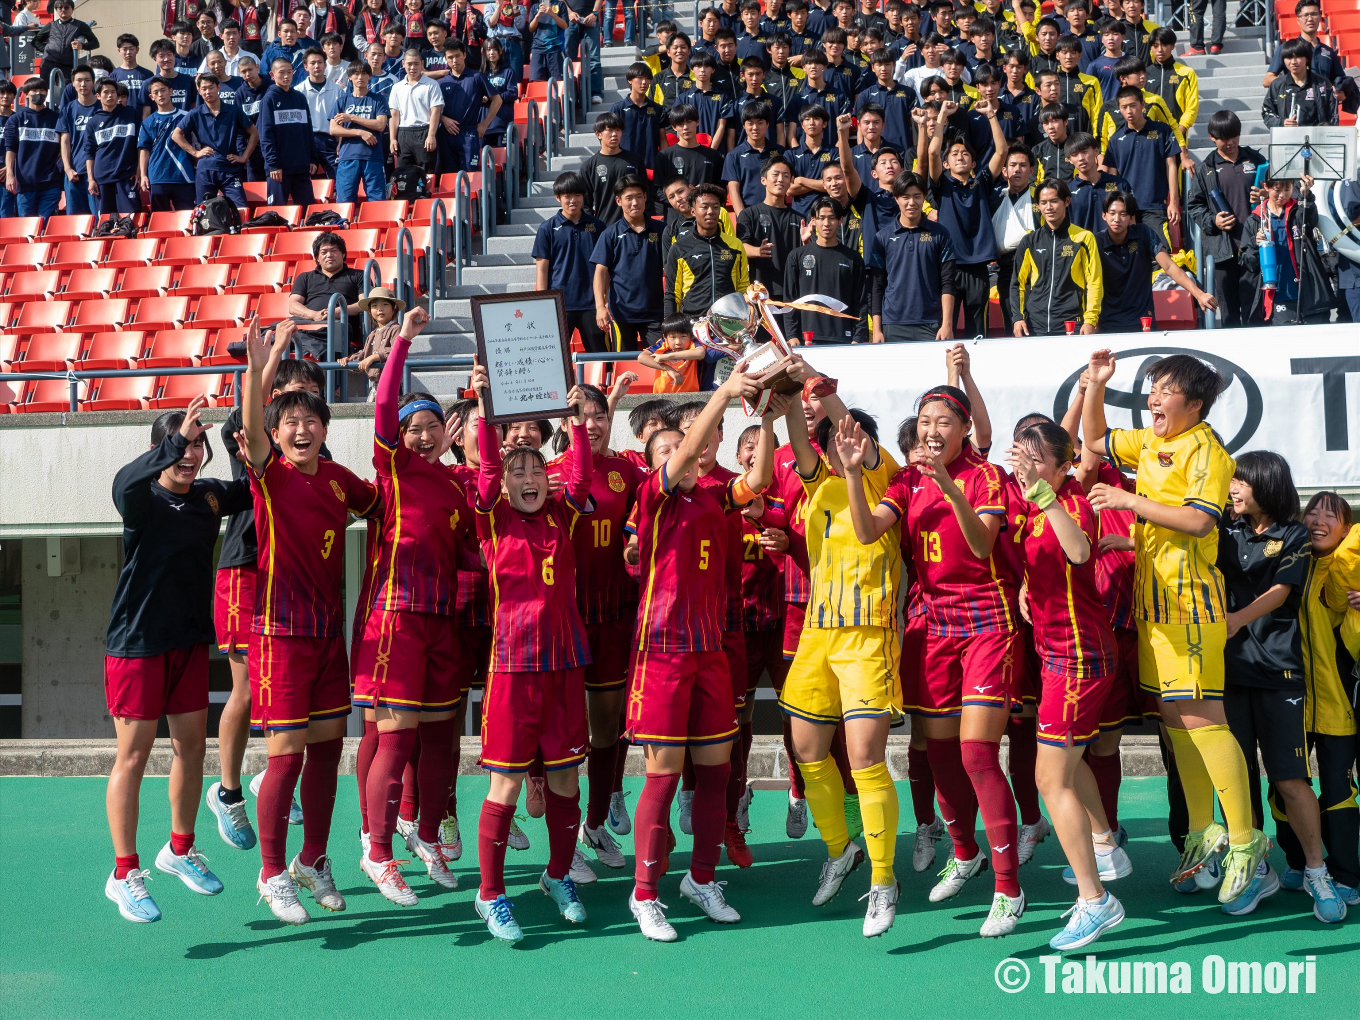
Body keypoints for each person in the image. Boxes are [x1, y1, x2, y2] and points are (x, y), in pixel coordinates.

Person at [1081, 350, 1268, 910]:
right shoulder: (1154, 441)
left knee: (1202, 722)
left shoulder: (1208, 450)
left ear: (1196, 404)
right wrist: (1094, 384)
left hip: (1190, 610)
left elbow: (1199, 520)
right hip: (1152, 610)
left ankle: (1245, 841)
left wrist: (1128, 502)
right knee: (1174, 723)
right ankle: (1202, 832)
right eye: (1153, 388)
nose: (1154, 398)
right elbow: (1094, 442)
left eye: (1165, 391)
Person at [846, 383, 1026, 936]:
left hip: (987, 621)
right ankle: (965, 850)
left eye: (944, 420)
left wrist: (948, 486)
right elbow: (866, 530)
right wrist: (853, 473)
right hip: (931, 624)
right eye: (925, 420)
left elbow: (979, 546)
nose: (931, 430)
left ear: (965, 428)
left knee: (976, 753)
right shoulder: (904, 479)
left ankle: (1008, 887)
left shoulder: (985, 477)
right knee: (938, 747)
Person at [238, 318, 379, 926]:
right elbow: (249, 423)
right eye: (291, 422)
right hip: (279, 632)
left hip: (328, 633)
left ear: (326, 428)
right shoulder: (272, 475)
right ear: (275, 435)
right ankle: (272, 874)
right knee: (286, 755)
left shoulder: (337, 480)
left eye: (312, 421)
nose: (302, 429)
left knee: (327, 751)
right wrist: (260, 371)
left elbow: (384, 501)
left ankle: (314, 859)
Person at [622, 370, 767, 941]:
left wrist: (770, 419)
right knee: (661, 778)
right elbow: (684, 452)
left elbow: (756, 478)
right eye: (668, 448)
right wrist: (723, 393)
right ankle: (645, 893)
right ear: (658, 458)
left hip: (710, 652)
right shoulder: (652, 498)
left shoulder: (712, 495)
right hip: (662, 655)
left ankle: (701, 878)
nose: (680, 454)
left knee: (715, 773)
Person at [103, 399, 251, 924]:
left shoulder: (209, 497)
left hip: (189, 642)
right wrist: (171, 442)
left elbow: (259, 484)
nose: (190, 454)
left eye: (196, 445)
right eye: (180, 445)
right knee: (135, 758)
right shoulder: (142, 498)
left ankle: (181, 849)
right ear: (159, 449)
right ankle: (124, 875)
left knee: (191, 748)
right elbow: (122, 483)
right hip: (137, 644)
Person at [461, 361, 595, 941]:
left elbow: (583, 478)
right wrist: (485, 403)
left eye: (535, 467)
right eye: (516, 471)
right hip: (513, 671)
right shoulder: (493, 519)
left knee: (567, 782)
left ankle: (558, 875)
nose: (526, 476)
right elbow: (487, 472)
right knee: (507, 787)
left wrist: (577, 424)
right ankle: (490, 895)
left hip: (565, 666)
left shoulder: (564, 514)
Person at [348, 307, 468, 904]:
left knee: (443, 740)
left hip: (444, 622)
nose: (424, 435)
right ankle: (377, 851)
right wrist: (402, 342)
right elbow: (382, 405)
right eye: (414, 425)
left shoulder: (453, 486)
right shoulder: (391, 467)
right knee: (394, 741)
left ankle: (425, 835)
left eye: (432, 425)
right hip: (396, 619)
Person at [1004, 422, 1131, 949]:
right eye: (1022, 456)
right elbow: (1054, 564)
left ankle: (1096, 899)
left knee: (1049, 778)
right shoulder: (1038, 504)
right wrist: (1030, 587)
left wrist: (1044, 495)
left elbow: (1080, 551)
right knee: (1066, 765)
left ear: (1063, 466)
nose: (1026, 466)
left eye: (1038, 460)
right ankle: (1106, 844)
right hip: (1060, 655)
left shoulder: (1069, 501)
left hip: (1078, 659)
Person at [1216, 452, 1347, 921]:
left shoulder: (1293, 534)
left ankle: (1317, 871)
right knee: (1238, 781)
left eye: (1240, 483)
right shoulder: (1223, 529)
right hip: (1227, 676)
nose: (1232, 489)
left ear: (1264, 485)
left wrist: (1235, 621)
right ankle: (1253, 868)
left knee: (1290, 779)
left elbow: (1280, 592)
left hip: (1279, 674)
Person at [542, 386, 642, 873]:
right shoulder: (548, 475)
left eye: (600, 415)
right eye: (583, 416)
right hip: (564, 620)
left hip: (614, 617)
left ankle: (597, 821)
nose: (593, 423)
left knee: (607, 727)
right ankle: (559, 833)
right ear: (566, 422)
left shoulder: (628, 470)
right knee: (560, 732)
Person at [1291, 492, 1360, 907]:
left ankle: (1347, 872)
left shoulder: (1350, 571)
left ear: (1347, 528)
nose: (1317, 520)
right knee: (1286, 787)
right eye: (1311, 512)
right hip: (1290, 704)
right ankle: (1299, 862)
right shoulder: (1290, 563)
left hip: (1340, 706)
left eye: (1329, 515)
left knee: (1337, 789)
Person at [924, 98, 1008, 337]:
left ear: (973, 162)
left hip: (978, 267)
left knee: (977, 330)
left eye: (965, 154)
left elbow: (1001, 151)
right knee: (944, 327)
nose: (960, 156)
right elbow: (932, 151)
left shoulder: (981, 183)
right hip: (948, 266)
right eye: (954, 154)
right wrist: (941, 116)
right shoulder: (942, 186)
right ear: (946, 163)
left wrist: (991, 115)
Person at [1187, 111, 1267, 330]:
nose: (1230, 142)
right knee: (1229, 314)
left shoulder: (1255, 159)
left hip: (1254, 247)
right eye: (1224, 138)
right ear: (1212, 137)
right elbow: (1194, 206)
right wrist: (1214, 221)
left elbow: (1277, 190)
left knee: (1255, 313)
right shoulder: (1206, 168)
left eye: (1235, 136)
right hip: (1224, 252)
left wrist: (1264, 195)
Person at [1095, 190, 1216, 331]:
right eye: (1112, 213)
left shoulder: (1144, 233)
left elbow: (1169, 266)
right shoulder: (1096, 242)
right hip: (1109, 322)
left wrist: (1199, 294)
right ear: (1104, 215)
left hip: (1143, 321)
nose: (1117, 219)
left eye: (1123, 214)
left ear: (1131, 218)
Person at [867, 170, 957, 342]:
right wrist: (877, 330)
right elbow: (877, 287)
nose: (911, 202)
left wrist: (947, 324)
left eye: (917, 196)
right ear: (896, 199)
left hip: (931, 324)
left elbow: (948, 282)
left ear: (924, 198)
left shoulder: (940, 233)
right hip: (892, 324)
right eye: (905, 197)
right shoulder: (882, 237)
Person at [1242, 174, 1337, 326]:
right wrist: (1255, 243)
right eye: (1277, 189)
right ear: (1266, 187)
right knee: (1288, 345)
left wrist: (1306, 194)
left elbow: (1310, 219)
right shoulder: (1255, 219)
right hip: (1279, 294)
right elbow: (1248, 263)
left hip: (1311, 293)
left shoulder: (1299, 210)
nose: (1282, 195)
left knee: (1317, 345)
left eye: (1287, 189)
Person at [1012, 179, 1102, 336]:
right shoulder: (1029, 241)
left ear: (1067, 201)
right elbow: (1016, 283)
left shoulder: (1083, 238)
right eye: (1043, 202)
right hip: (1034, 325)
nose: (1048, 207)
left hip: (1072, 324)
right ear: (1038, 205)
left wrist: (1090, 320)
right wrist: (1018, 318)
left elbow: (1094, 281)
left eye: (1054, 201)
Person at [533, 172, 609, 352]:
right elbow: (542, 271)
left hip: (592, 305)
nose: (573, 200)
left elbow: (605, 268)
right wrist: (544, 304)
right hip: (559, 304)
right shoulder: (547, 228)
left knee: (600, 357)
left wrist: (605, 301)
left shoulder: (598, 226)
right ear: (558, 198)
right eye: (567, 196)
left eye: (577, 195)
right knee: (554, 356)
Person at [591, 175, 667, 351]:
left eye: (639, 196)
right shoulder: (609, 234)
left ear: (645, 197)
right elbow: (600, 272)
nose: (635, 203)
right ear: (618, 201)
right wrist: (600, 306)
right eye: (629, 198)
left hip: (655, 313)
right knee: (623, 366)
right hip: (621, 315)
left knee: (660, 361)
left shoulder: (661, 230)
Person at [784, 197, 869, 344]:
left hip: (843, 339)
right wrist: (792, 335)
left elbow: (860, 302)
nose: (826, 223)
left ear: (840, 220)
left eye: (832, 218)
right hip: (807, 338)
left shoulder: (853, 258)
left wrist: (859, 337)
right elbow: (790, 299)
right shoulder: (796, 256)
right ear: (813, 221)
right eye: (821, 218)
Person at [664, 182, 751, 319]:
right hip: (692, 323)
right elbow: (672, 294)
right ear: (693, 211)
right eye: (704, 207)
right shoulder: (679, 248)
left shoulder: (735, 245)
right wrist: (671, 326)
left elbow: (743, 286)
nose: (710, 211)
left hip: (729, 322)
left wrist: (747, 317)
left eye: (715, 207)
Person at [171, 73, 257, 207]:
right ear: (199, 91)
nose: (207, 92)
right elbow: (176, 135)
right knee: (204, 212)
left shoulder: (234, 111)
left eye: (211, 87)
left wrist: (244, 157)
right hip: (205, 169)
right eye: (204, 89)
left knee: (241, 208)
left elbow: (254, 133)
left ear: (218, 87)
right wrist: (195, 153)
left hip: (229, 168)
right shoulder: (195, 113)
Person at [289, 232, 366, 359]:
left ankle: (309, 345)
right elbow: (293, 306)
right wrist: (314, 315)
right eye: (324, 252)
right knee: (275, 329)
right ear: (317, 258)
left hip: (338, 326)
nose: (329, 255)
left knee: (328, 337)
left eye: (334, 251)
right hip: (309, 324)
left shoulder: (358, 276)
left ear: (343, 254)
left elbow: (364, 304)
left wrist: (335, 312)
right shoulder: (305, 277)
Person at [736, 154, 801, 298]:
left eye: (785, 176)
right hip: (761, 293)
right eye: (775, 174)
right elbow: (741, 247)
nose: (780, 179)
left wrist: (807, 242)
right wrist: (758, 251)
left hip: (793, 293)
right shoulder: (749, 214)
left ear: (791, 181)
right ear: (763, 180)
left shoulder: (800, 219)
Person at [259, 56, 321, 207]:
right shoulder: (269, 99)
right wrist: (273, 164)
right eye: (281, 72)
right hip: (279, 169)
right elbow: (266, 135)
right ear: (272, 75)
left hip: (301, 167)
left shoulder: (300, 98)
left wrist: (313, 159)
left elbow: (308, 131)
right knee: (277, 213)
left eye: (289, 72)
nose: (286, 76)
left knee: (309, 212)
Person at [78, 77, 142, 222]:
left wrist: (139, 169)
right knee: (106, 222)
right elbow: (89, 152)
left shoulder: (132, 115)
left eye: (113, 92)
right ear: (98, 96)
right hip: (103, 178)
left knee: (130, 220)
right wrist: (91, 179)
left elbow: (141, 145)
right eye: (106, 92)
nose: (110, 95)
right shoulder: (93, 122)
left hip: (127, 176)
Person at [990, 143, 1036, 334]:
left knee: (1035, 324)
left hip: (1037, 269)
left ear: (1031, 170)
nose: (1017, 169)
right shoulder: (994, 198)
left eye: (1023, 165)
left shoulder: (1042, 197)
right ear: (1004, 170)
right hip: (1007, 268)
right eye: (1013, 165)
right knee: (1012, 325)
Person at [436, 39, 501, 173]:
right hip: (446, 134)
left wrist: (484, 124)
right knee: (449, 176)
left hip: (469, 133)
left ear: (464, 55)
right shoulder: (441, 83)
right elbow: (432, 109)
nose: (455, 60)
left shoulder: (477, 77)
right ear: (445, 59)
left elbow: (497, 100)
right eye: (450, 57)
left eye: (458, 55)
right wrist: (443, 119)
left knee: (470, 175)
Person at [328, 62, 388, 202]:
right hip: (348, 156)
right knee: (345, 200)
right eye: (356, 74)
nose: (360, 77)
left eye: (364, 74)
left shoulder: (378, 99)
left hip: (372, 156)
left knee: (377, 200)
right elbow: (333, 129)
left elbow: (380, 125)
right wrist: (360, 132)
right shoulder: (342, 101)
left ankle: (375, 225)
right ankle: (344, 224)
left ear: (370, 76)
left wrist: (352, 117)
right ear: (349, 77)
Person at [136, 79, 197, 212]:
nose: (160, 95)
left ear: (171, 91)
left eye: (163, 90)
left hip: (184, 176)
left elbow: (196, 143)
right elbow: (144, 149)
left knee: (188, 219)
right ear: (151, 97)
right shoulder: (147, 122)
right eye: (156, 92)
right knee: (160, 220)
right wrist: (144, 175)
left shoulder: (187, 116)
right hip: (158, 177)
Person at [578, 112, 646, 226]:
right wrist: (592, 230)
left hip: (635, 226)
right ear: (598, 134)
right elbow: (585, 205)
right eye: (610, 130)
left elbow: (645, 194)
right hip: (605, 227)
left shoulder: (635, 160)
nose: (615, 134)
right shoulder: (588, 166)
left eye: (618, 130)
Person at [388, 47, 444, 174]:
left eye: (416, 64)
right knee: (403, 174)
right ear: (403, 64)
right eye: (409, 64)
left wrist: (431, 135)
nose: (412, 67)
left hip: (424, 131)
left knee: (427, 173)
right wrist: (393, 139)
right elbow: (394, 115)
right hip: (403, 133)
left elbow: (435, 112)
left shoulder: (432, 84)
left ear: (422, 64)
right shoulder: (397, 87)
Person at [1262, 38, 1338, 128]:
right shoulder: (1277, 84)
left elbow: (1333, 116)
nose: (1293, 62)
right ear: (1283, 60)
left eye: (1298, 57)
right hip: (1287, 139)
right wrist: (1282, 122)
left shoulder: (1323, 83)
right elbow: (1267, 113)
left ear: (1307, 58)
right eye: (1289, 57)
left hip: (1317, 138)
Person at [723, 102, 784, 211]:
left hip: (777, 212)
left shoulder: (780, 152)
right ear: (744, 125)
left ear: (767, 124)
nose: (755, 128)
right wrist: (743, 218)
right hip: (748, 213)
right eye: (750, 123)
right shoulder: (733, 155)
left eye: (760, 123)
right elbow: (733, 192)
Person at [56, 65, 98, 217]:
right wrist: (67, 168)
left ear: (94, 82)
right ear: (72, 84)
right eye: (79, 80)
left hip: (97, 173)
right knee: (76, 221)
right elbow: (65, 141)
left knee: (98, 220)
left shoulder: (102, 108)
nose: (83, 84)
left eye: (87, 80)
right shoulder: (68, 110)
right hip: (74, 173)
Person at [656, 104, 725, 193]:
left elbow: (722, 188)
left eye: (689, 122)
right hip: (675, 206)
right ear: (674, 127)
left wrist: (705, 190)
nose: (685, 128)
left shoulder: (713, 156)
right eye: (680, 124)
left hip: (704, 205)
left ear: (697, 122)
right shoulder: (664, 156)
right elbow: (657, 191)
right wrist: (680, 196)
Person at [611, 63, 666, 171]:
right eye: (640, 78)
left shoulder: (658, 109)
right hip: (624, 166)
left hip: (651, 168)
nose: (644, 82)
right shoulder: (617, 109)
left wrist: (664, 163)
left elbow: (663, 139)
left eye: (647, 78)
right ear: (629, 80)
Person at [32, 0, 99, 81]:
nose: (63, 10)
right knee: (46, 90)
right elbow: (35, 41)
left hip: (67, 65)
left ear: (72, 9)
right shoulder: (51, 25)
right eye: (60, 8)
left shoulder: (80, 25)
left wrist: (82, 46)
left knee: (66, 89)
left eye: (66, 7)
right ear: (56, 9)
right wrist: (46, 49)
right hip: (48, 62)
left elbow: (95, 43)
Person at [529, 0, 569, 81]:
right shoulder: (535, 7)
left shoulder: (560, 5)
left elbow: (565, 25)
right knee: (537, 82)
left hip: (556, 49)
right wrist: (538, 16)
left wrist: (552, 14)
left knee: (557, 82)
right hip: (538, 49)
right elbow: (531, 29)